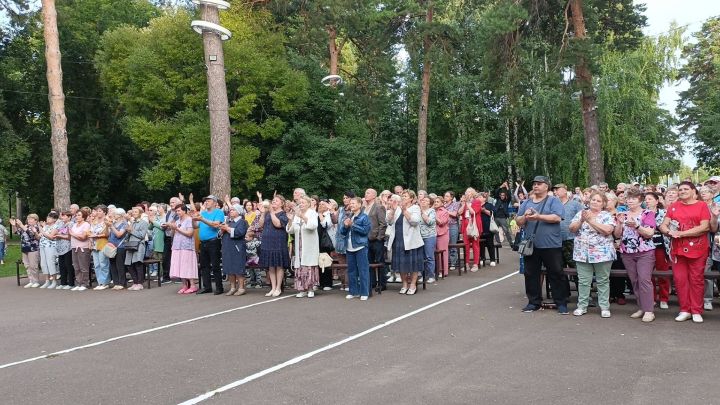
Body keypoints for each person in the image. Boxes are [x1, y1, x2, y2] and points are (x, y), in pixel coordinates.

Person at [660, 181, 711, 323]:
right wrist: (668, 231)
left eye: (685, 189)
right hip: (678, 248)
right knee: (680, 279)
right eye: (680, 189)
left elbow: (704, 227)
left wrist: (682, 234)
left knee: (696, 279)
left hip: (698, 248)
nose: (682, 191)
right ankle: (685, 309)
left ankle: (696, 310)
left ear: (693, 190)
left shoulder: (702, 205)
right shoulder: (674, 206)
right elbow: (664, 224)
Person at [516, 176, 569, 314]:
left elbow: (557, 217)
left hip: (551, 244)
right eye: (534, 184)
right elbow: (518, 221)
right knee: (530, 273)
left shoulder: (553, 201)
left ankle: (561, 303)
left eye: (539, 184)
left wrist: (539, 216)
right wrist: (524, 217)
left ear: (546, 186)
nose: (535, 186)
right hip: (532, 245)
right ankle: (533, 302)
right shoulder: (526, 202)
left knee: (556, 273)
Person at [569, 191, 616, 317]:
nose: (595, 202)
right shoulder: (581, 213)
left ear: (603, 204)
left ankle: (604, 307)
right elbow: (572, 228)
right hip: (582, 253)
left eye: (598, 201)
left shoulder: (607, 215)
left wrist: (590, 221)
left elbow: (607, 230)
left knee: (603, 281)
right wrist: (581, 220)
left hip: (602, 253)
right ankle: (582, 306)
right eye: (593, 200)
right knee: (584, 281)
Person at [613, 189, 657, 322]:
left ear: (640, 200)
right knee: (634, 281)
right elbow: (617, 235)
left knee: (644, 280)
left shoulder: (647, 213)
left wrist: (637, 226)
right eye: (628, 198)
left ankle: (649, 310)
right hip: (627, 252)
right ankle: (642, 307)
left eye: (633, 198)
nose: (630, 200)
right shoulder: (623, 214)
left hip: (645, 252)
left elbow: (649, 233)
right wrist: (619, 223)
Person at [387, 190, 424, 295]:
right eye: (402, 196)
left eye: (406, 196)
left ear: (411, 198)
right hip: (398, 241)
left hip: (411, 241)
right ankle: (404, 284)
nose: (403, 198)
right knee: (401, 264)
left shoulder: (415, 208)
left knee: (413, 264)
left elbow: (414, 221)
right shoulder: (397, 209)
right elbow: (389, 221)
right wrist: (393, 210)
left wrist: (404, 210)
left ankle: (412, 284)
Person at [287, 195, 320, 298]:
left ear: (309, 204)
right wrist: (291, 219)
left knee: (309, 266)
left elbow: (313, 226)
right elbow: (290, 230)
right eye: (300, 203)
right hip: (299, 246)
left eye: (303, 202)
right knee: (300, 267)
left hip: (309, 246)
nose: (301, 204)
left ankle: (310, 289)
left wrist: (303, 217)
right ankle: (302, 289)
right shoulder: (296, 215)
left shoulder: (312, 213)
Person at [258, 194, 290, 297]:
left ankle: (278, 288)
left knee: (279, 265)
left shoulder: (283, 214)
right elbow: (260, 225)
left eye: (276, 201)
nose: (274, 202)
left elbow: (278, 224)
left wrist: (271, 212)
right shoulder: (267, 213)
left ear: (282, 203)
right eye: (273, 200)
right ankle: (273, 287)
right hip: (267, 242)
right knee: (271, 266)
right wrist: (263, 213)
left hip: (278, 242)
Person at [340, 196, 371, 300]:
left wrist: (353, 225)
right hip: (349, 247)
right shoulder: (348, 216)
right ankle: (353, 291)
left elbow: (365, 231)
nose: (351, 205)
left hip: (360, 246)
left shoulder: (364, 217)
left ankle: (364, 292)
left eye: (353, 203)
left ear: (359, 205)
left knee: (363, 270)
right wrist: (345, 226)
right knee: (351, 270)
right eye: (350, 203)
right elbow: (342, 232)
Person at [193, 195, 225, 295]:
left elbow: (215, 224)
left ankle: (219, 287)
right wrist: (193, 219)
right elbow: (195, 226)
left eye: (209, 201)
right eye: (205, 201)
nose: (206, 202)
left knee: (215, 265)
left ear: (215, 203)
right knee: (204, 266)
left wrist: (202, 219)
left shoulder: (219, 212)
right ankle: (207, 287)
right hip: (203, 242)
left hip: (213, 241)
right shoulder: (203, 213)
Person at [645, 192, 671, 310]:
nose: (647, 201)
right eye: (646, 199)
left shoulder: (664, 213)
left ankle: (664, 298)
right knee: (648, 274)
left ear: (656, 201)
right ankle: (652, 298)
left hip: (661, 246)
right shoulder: (642, 213)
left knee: (663, 273)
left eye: (650, 199)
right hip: (646, 247)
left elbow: (665, 227)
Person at [168, 204, 199, 294]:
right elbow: (172, 234)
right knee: (179, 265)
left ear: (184, 211)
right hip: (177, 246)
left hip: (187, 246)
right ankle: (184, 285)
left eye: (179, 211)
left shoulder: (189, 220)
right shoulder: (177, 220)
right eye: (176, 211)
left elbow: (189, 233)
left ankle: (193, 285)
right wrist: (172, 228)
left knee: (187, 265)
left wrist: (177, 228)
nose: (177, 213)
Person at [220, 204, 249, 296]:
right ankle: (232, 287)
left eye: (233, 210)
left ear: (238, 212)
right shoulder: (228, 221)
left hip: (237, 248)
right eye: (230, 210)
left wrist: (227, 228)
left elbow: (239, 233)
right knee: (229, 268)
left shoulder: (242, 222)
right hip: (227, 247)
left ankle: (241, 287)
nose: (231, 211)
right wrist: (222, 230)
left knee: (238, 267)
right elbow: (220, 235)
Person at [554, 183, 584, 268]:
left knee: (574, 264)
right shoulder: (553, 205)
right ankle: (563, 282)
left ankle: (578, 281)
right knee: (559, 265)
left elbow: (583, 217)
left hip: (572, 238)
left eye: (558, 189)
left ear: (565, 191)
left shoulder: (575, 204)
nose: (555, 192)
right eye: (555, 190)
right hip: (557, 239)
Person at [363, 188, 387, 291]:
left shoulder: (379, 207)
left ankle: (382, 283)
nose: (366, 194)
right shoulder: (363, 208)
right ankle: (372, 282)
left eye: (368, 193)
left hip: (376, 239)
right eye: (365, 193)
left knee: (380, 261)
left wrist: (379, 237)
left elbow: (383, 224)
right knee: (369, 261)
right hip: (366, 239)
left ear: (374, 196)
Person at [10, 214, 42, 288]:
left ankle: (36, 281)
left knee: (33, 266)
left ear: (36, 220)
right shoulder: (25, 226)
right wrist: (14, 225)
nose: (29, 220)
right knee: (27, 265)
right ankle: (31, 280)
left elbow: (31, 234)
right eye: (28, 219)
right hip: (24, 248)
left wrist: (21, 225)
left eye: (31, 219)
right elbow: (16, 232)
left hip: (33, 249)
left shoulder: (37, 227)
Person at [124, 207, 149, 291]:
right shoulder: (132, 222)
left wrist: (131, 231)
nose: (133, 213)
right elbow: (128, 235)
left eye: (135, 212)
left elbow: (142, 235)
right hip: (130, 245)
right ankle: (135, 282)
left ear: (140, 213)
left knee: (138, 264)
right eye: (133, 212)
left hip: (139, 245)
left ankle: (140, 283)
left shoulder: (144, 223)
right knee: (129, 264)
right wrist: (127, 231)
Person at [458, 188, 482, 272]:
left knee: (475, 245)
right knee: (466, 245)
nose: (467, 193)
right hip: (465, 226)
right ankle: (466, 263)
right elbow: (460, 212)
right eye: (466, 192)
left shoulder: (477, 202)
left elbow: (473, 212)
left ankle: (475, 264)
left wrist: (468, 205)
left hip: (474, 226)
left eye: (469, 192)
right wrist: (464, 204)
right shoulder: (465, 203)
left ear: (472, 193)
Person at [69, 208, 92, 291]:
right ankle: (78, 283)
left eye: (79, 215)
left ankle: (85, 283)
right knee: (76, 266)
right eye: (76, 215)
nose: (77, 217)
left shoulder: (86, 225)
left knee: (83, 266)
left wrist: (73, 234)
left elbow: (83, 237)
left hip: (83, 248)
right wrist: (75, 234)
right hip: (74, 247)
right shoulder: (74, 225)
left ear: (83, 217)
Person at [89, 205, 111, 290]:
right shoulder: (94, 221)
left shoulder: (107, 220)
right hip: (94, 244)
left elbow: (107, 233)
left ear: (104, 212)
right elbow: (90, 231)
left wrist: (97, 235)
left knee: (103, 263)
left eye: (100, 211)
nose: (98, 212)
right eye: (97, 211)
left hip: (103, 244)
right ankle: (100, 282)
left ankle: (105, 282)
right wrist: (91, 239)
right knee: (97, 265)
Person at [107, 209, 129, 290]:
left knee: (120, 265)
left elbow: (119, 234)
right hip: (111, 246)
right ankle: (116, 282)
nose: (113, 215)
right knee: (112, 265)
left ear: (120, 215)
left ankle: (122, 283)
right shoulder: (113, 223)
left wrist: (112, 226)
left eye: (115, 214)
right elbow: (108, 234)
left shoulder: (124, 224)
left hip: (120, 246)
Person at [38, 211, 60, 289]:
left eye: (50, 218)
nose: (48, 219)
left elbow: (51, 236)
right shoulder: (45, 226)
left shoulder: (56, 226)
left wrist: (42, 232)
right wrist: (38, 231)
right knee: (43, 263)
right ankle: (47, 280)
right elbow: (40, 236)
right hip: (42, 246)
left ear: (54, 219)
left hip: (50, 247)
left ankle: (54, 281)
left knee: (50, 263)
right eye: (48, 217)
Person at [419, 195, 437, 282]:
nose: (423, 202)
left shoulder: (432, 211)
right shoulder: (417, 211)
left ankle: (431, 276)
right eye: (422, 200)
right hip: (419, 236)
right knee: (421, 257)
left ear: (430, 204)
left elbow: (430, 222)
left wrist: (422, 213)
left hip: (429, 236)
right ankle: (423, 275)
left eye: (426, 201)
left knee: (429, 256)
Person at [54, 211, 74, 289]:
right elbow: (56, 232)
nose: (63, 217)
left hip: (68, 247)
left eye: (65, 216)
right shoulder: (60, 224)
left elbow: (69, 237)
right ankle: (63, 282)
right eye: (62, 216)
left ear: (69, 217)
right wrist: (59, 235)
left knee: (68, 265)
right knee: (61, 265)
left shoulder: (71, 224)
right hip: (60, 247)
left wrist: (60, 235)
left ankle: (71, 283)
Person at [477, 193, 496, 267]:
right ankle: (482, 258)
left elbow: (493, 214)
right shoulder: (476, 205)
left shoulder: (489, 205)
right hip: (479, 228)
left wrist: (484, 210)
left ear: (485, 198)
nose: (478, 198)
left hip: (488, 227)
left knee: (490, 244)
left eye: (480, 197)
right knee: (481, 244)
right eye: (478, 197)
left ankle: (492, 259)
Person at [443, 191, 461, 269]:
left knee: (452, 244)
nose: (445, 197)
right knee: (445, 245)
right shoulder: (442, 205)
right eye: (445, 196)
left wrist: (445, 211)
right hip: (444, 226)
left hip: (452, 226)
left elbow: (454, 214)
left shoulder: (455, 204)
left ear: (451, 197)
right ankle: (447, 262)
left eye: (447, 196)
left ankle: (453, 262)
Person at [434, 197, 450, 278]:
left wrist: (434, 216)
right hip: (433, 234)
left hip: (442, 234)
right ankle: (436, 270)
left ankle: (444, 271)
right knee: (435, 254)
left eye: (437, 202)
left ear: (442, 203)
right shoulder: (433, 210)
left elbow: (441, 223)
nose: (435, 203)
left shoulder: (445, 212)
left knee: (442, 253)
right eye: (435, 201)